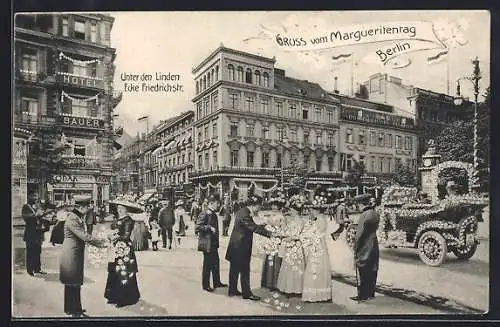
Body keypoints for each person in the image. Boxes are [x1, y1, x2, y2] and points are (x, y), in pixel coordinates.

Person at [59, 197, 107, 317]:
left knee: (73, 281)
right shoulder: (73, 219)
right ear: (80, 207)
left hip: (74, 252)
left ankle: (72, 308)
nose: (87, 209)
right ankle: (74, 310)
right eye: (86, 207)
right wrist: (101, 243)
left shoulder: (76, 217)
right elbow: (84, 236)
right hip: (71, 253)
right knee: (73, 281)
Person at [225, 195, 273, 300]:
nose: (259, 209)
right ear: (254, 205)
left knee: (235, 269)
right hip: (241, 246)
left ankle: (232, 290)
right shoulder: (245, 214)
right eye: (259, 206)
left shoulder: (243, 211)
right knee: (244, 269)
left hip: (236, 245)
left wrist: (263, 226)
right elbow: (252, 227)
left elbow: (252, 225)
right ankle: (247, 294)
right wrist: (270, 234)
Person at [104, 200, 143, 307]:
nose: (119, 210)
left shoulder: (128, 220)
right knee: (114, 271)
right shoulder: (117, 219)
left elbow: (126, 236)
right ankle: (113, 295)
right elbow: (112, 229)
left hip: (125, 249)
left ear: (126, 210)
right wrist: (110, 235)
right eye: (118, 208)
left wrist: (116, 237)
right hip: (116, 248)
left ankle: (126, 298)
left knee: (123, 272)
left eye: (121, 209)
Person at [195, 194, 227, 292]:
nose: (218, 206)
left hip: (212, 243)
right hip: (207, 243)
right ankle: (206, 285)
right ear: (211, 203)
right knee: (208, 265)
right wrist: (209, 228)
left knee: (215, 263)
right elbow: (197, 227)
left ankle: (217, 282)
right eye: (217, 204)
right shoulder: (205, 213)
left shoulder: (212, 213)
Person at [301, 204, 332, 302]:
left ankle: (315, 294)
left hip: (317, 245)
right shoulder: (320, 218)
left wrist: (304, 236)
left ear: (317, 210)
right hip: (319, 245)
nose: (311, 212)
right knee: (319, 268)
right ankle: (320, 293)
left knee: (315, 268)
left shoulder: (319, 219)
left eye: (312, 210)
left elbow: (314, 234)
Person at [352, 196, 380, 302]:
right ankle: (371, 292)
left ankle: (362, 294)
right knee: (373, 269)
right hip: (374, 243)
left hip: (365, 244)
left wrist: (355, 247)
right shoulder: (375, 213)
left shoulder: (363, 215)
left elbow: (359, 234)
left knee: (362, 269)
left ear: (361, 204)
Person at [276, 199, 306, 296]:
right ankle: (287, 288)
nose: (290, 212)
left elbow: (298, 235)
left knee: (294, 267)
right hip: (290, 244)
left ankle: (295, 289)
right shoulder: (292, 220)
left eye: (292, 210)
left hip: (295, 246)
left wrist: (290, 238)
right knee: (288, 266)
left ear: (296, 211)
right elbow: (288, 231)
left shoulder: (300, 221)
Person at [260, 199, 285, 291]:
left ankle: (275, 284)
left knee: (276, 260)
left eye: (276, 206)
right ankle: (267, 282)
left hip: (277, 239)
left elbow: (283, 229)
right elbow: (267, 224)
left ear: (279, 207)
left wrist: (276, 231)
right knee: (269, 259)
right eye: (273, 206)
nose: (274, 207)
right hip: (270, 239)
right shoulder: (270, 215)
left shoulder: (281, 217)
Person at [22, 192, 47, 276]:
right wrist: (36, 214)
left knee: (37, 251)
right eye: (34, 196)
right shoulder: (26, 207)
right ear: (29, 197)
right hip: (30, 234)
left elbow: (40, 217)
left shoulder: (36, 207)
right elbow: (26, 217)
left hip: (38, 233)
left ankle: (37, 269)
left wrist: (43, 214)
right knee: (30, 252)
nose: (36, 198)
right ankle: (30, 270)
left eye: (36, 196)